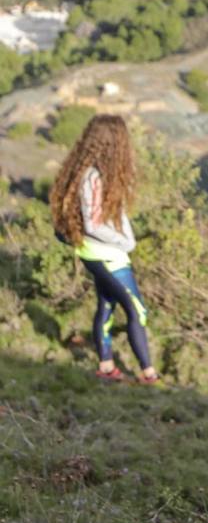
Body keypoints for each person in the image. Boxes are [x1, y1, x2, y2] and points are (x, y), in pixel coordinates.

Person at [48, 115, 159, 384]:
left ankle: (107, 367)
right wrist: (126, 242)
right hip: (105, 254)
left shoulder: (95, 173)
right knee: (136, 311)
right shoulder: (93, 177)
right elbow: (94, 223)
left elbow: (114, 216)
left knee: (106, 305)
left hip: (95, 252)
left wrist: (124, 235)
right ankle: (149, 375)